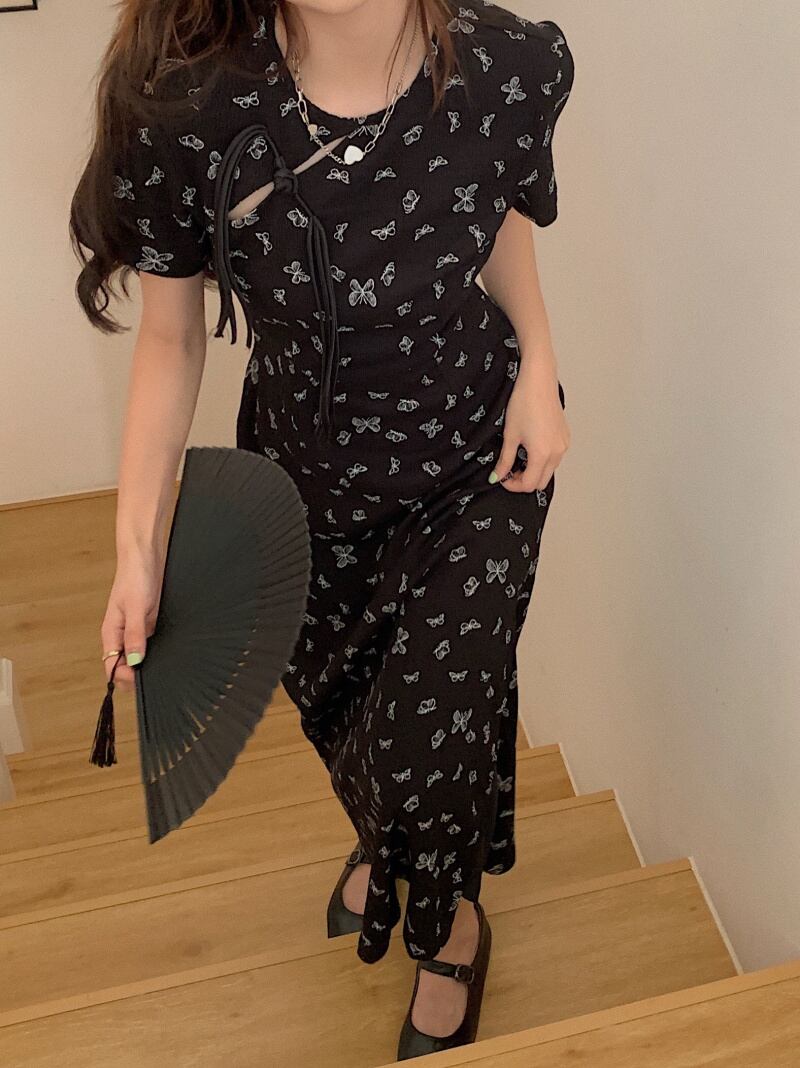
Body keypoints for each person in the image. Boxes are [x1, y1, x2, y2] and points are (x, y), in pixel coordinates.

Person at [70, 0, 574, 1058]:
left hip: (476, 464)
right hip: (306, 486)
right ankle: (384, 841)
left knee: (432, 737)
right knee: (350, 719)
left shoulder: (507, 65)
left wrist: (537, 358)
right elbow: (170, 340)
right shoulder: (192, 102)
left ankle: (450, 933)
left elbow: (495, 214)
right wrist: (137, 552)